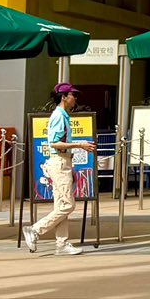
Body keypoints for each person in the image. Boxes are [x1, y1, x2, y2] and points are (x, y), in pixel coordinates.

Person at [23, 82, 89, 256]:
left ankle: (62, 244)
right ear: (64, 97)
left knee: (61, 205)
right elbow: (54, 143)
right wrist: (80, 145)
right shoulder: (59, 116)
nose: (75, 98)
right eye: (73, 95)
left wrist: (70, 164)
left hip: (62, 162)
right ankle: (35, 230)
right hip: (59, 163)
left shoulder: (63, 115)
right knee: (68, 205)